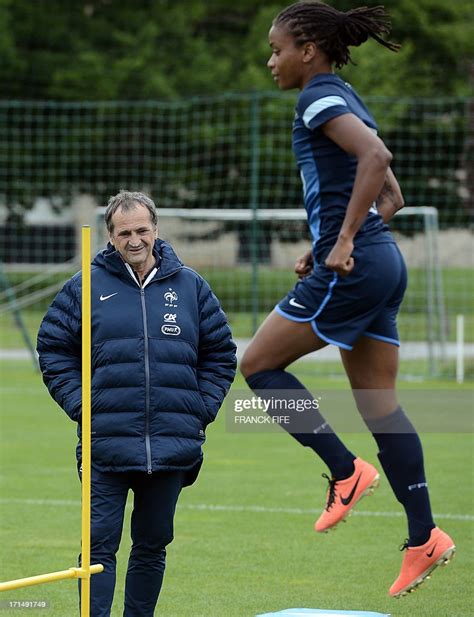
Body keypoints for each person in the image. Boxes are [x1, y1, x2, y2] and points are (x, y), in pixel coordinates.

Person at [240, 0, 455, 599]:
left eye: (277, 48)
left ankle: (344, 471)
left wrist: (342, 240)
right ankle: (423, 539)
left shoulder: (316, 96)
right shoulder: (345, 95)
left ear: (308, 51)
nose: (270, 60)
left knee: (256, 366)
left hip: (358, 266)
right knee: (381, 406)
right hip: (383, 266)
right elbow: (395, 195)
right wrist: (336, 238)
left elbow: (378, 161)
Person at [37, 190, 237, 616]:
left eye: (142, 230)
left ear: (156, 230)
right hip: (105, 445)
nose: (134, 240)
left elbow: (221, 352)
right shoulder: (85, 285)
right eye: (124, 232)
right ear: (110, 236)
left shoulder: (191, 286)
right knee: (98, 549)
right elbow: (53, 348)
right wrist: (81, 404)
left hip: (172, 446)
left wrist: (200, 409)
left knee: (152, 545)